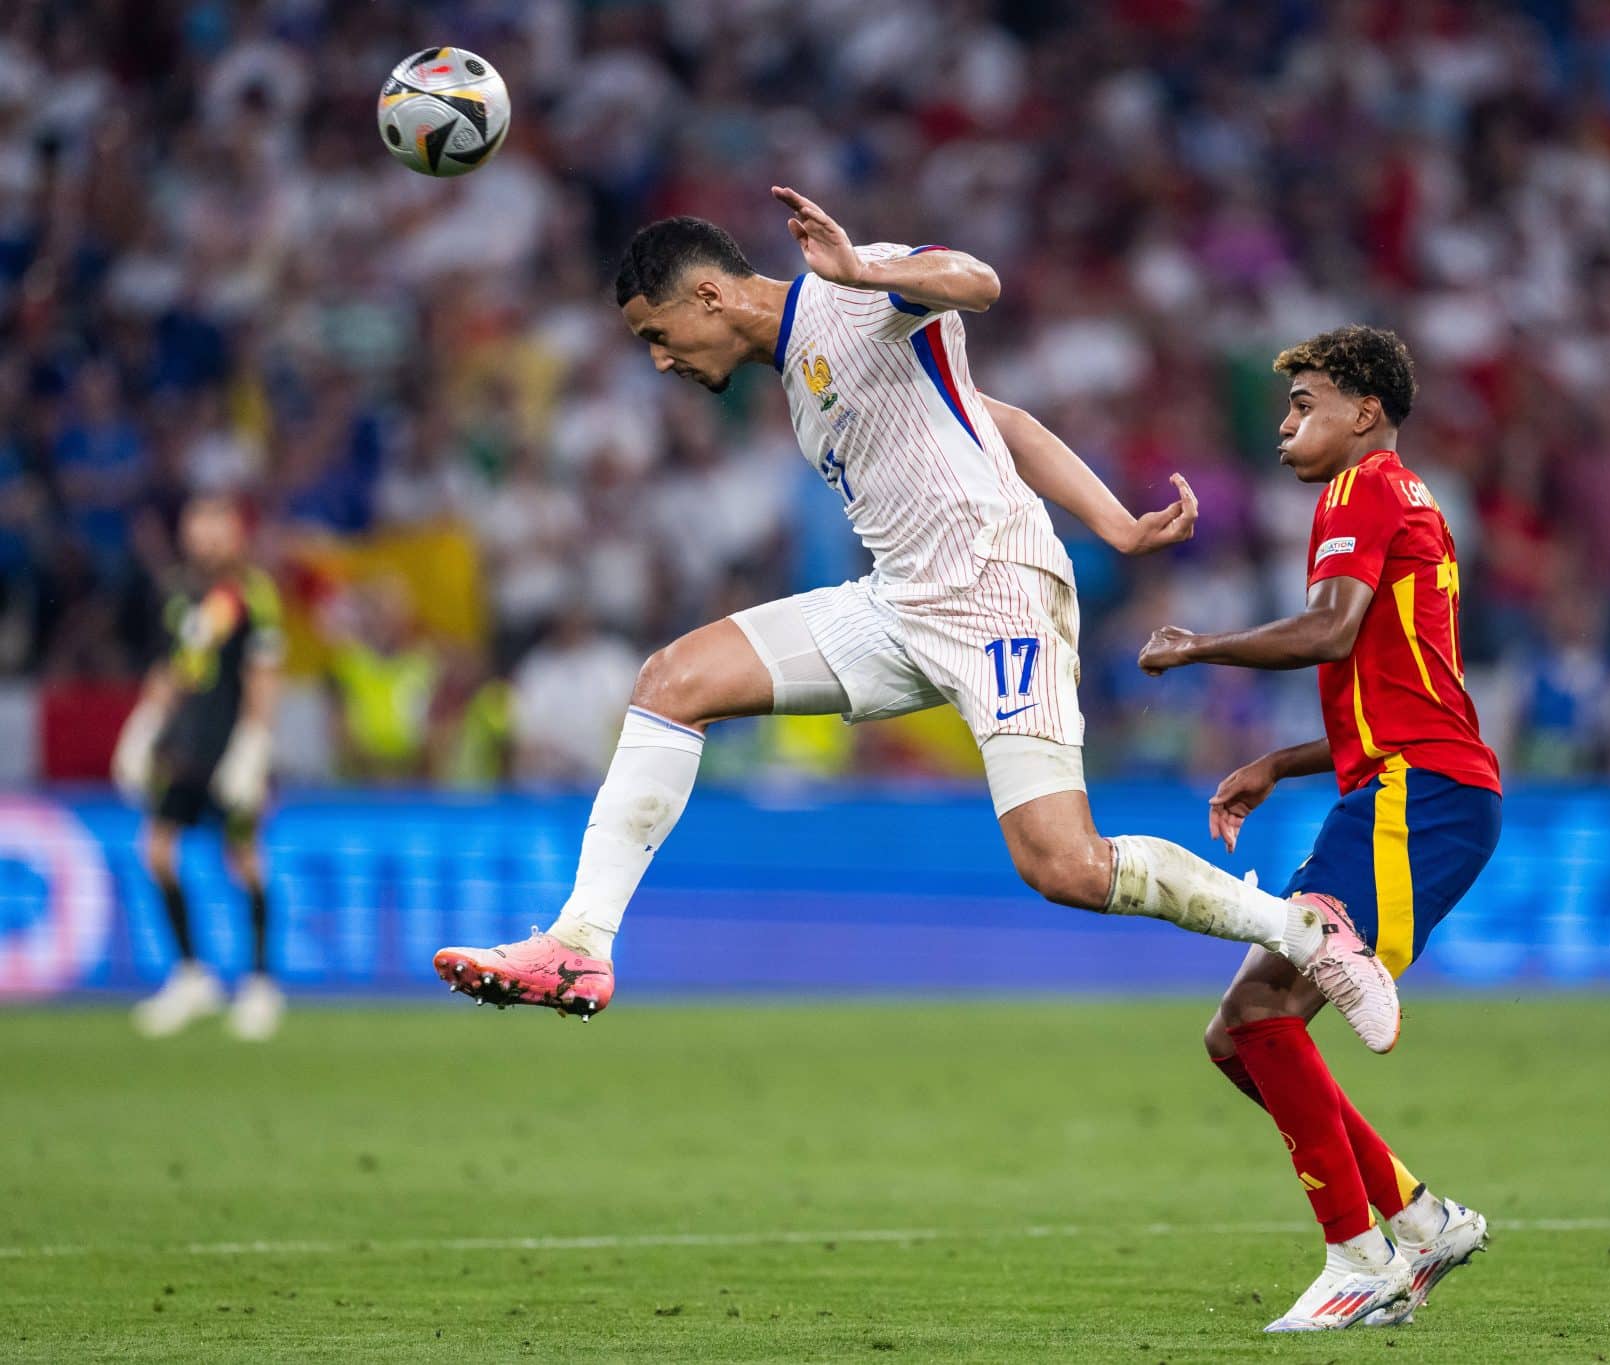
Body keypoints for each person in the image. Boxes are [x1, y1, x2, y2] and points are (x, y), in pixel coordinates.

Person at [433, 189, 1398, 1059]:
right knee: (671, 681)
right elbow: (991, 415)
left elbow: (975, 280)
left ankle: (1304, 929)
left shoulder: (847, 294)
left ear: (708, 298)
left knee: (1062, 864)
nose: (659, 359)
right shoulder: (797, 378)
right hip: (899, 600)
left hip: (996, 595)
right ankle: (579, 945)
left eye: (656, 332)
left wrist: (864, 270)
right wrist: (1110, 518)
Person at [1137, 326, 1501, 1332]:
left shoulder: (1362, 490)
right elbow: (1385, 681)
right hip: (1412, 785)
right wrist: (1278, 761)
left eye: (1305, 404)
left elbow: (1330, 632)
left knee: (1259, 1012)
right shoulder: (1400, 499)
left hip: (1412, 793)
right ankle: (1417, 1219)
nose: (1286, 424)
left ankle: (1354, 1254)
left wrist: (1197, 646)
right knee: (1236, 1037)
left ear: (1365, 413)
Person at [114, 495, 285, 1040]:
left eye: (218, 528)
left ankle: (260, 984)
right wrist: (143, 724)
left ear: (237, 535)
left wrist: (254, 744)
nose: (208, 539)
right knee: (158, 852)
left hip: (230, 744)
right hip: (184, 747)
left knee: (244, 858)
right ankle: (192, 974)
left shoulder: (252, 595)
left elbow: (263, 673)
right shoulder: (179, 596)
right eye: (199, 527)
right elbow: (172, 668)